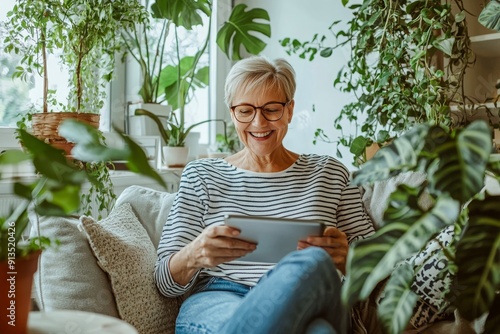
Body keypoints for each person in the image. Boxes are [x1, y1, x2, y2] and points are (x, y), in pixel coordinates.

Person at [154, 56, 375, 334]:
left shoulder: (329, 173)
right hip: (219, 296)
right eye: (245, 111)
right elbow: (164, 281)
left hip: (311, 296)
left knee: (314, 261)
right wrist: (194, 254)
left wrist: (346, 259)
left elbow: (379, 266)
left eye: (271, 109)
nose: (258, 122)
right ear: (232, 112)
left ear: (290, 110)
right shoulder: (202, 175)